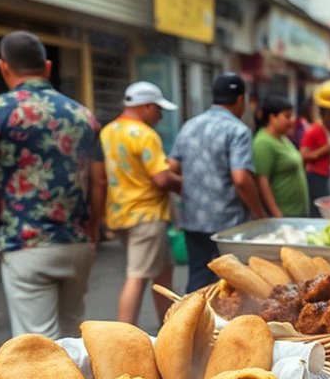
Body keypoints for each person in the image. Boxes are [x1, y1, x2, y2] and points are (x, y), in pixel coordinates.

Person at [0, 31, 103, 338]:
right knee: (73, 336)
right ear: (47, 67)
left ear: (3, 67)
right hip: (77, 242)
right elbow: (99, 179)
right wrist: (94, 230)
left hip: (27, 243)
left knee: (38, 347)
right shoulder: (82, 114)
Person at [169, 72, 267, 293]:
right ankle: (219, 328)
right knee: (229, 286)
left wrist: (191, 189)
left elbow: (172, 168)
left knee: (198, 280)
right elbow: (241, 179)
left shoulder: (190, 126)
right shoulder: (238, 130)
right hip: (227, 223)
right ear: (240, 99)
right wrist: (258, 213)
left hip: (194, 219)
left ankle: (191, 324)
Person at [101, 81, 182, 326]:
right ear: (146, 106)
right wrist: (184, 183)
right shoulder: (145, 135)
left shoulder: (109, 131)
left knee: (162, 272)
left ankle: (168, 328)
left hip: (121, 212)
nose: (159, 115)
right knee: (137, 276)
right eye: (158, 109)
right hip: (146, 215)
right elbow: (160, 178)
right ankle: (123, 337)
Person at [253, 95, 309, 218]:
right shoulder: (263, 143)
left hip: (297, 212)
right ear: (272, 118)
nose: (292, 120)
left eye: (292, 115)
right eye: (287, 116)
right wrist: (277, 214)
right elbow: (262, 182)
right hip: (285, 214)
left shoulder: (282, 138)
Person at [300, 81, 330, 217]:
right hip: (317, 179)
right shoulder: (313, 131)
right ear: (322, 112)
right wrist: (324, 150)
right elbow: (303, 155)